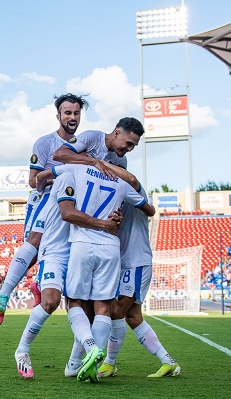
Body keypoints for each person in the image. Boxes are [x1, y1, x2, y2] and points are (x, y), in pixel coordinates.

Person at [37, 161, 155, 382]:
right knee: (103, 307)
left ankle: (90, 349)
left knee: (75, 302)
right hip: (111, 246)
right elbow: (149, 209)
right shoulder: (121, 181)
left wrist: (40, 182)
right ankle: (92, 366)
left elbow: (45, 174)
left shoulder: (79, 168)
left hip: (82, 242)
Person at [0, 93, 90, 325]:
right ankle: (2, 295)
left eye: (76, 113)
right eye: (68, 113)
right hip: (45, 200)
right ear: (58, 116)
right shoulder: (45, 143)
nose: (72, 117)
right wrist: (60, 177)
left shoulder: (84, 144)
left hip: (69, 202)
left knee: (60, 250)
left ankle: (39, 284)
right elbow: (33, 180)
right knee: (34, 243)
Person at [13, 173, 122, 379]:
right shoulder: (66, 175)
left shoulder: (93, 182)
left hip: (79, 249)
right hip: (55, 251)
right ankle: (22, 349)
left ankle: (73, 365)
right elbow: (62, 208)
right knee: (51, 302)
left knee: (85, 309)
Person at [98, 187, 181, 378]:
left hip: (136, 262)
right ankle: (168, 362)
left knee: (117, 310)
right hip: (126, 262)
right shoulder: (114, 199)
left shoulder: (132, 190)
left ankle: (109, 363)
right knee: (133, 317)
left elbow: (132, 181)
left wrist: (102, 165)